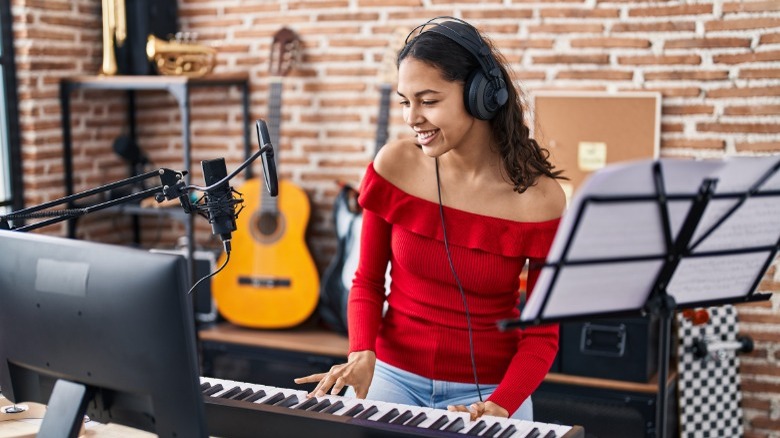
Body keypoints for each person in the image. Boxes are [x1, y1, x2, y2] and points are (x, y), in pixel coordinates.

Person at [295, 16, 567, 422]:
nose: (411, 117)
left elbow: (543, 334)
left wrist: (502, 404)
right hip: (391, 376)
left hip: (491, 392)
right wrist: (361, 351)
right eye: (406, 101)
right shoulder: (394, 163)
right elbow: (367, 280)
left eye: (429, 100)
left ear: (479, 95)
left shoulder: (540, 198)